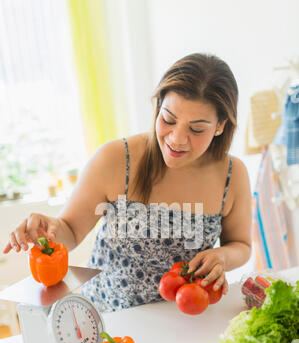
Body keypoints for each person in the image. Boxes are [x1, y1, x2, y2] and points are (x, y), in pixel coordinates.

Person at [3, 53, 252, 313]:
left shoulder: (233, 175)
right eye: (168, 119)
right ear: (158, 107)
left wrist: (222, 257)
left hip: (185, 320)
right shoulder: (115, 159)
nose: (177, 139)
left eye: (197, 129)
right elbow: (70, 231)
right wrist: (50, 230)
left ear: (221, 126)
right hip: (108, 320)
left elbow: (242, 245)